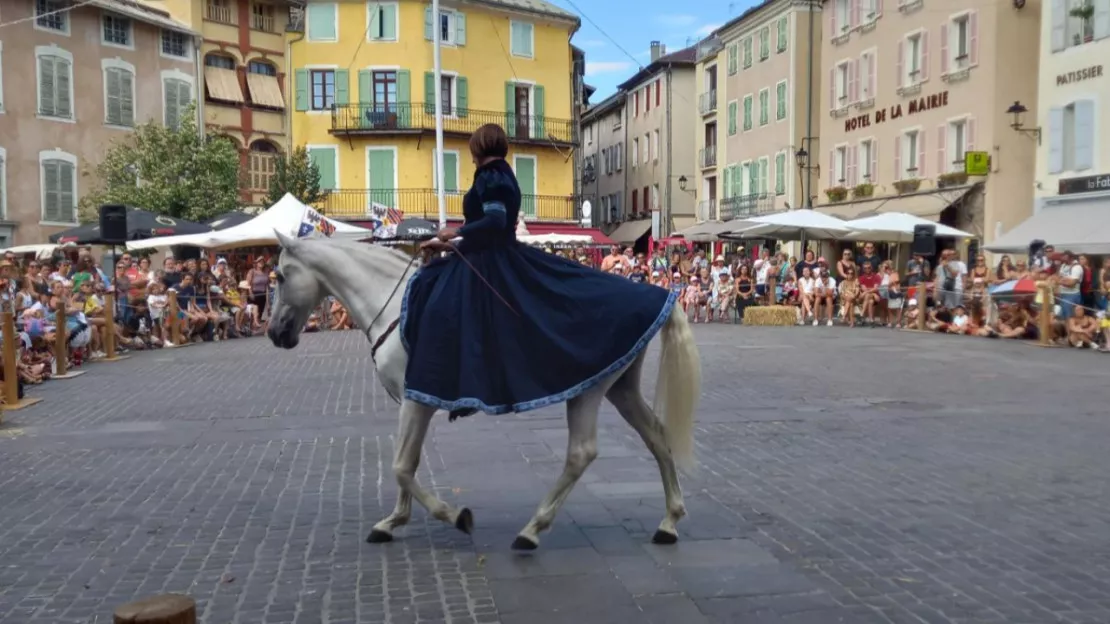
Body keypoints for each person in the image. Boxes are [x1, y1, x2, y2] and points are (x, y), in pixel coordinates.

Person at [407, 124, 677, 419]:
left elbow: (495, 221)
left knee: (448, 307)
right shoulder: (502, 173)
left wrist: (453, 232)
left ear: (478, 147)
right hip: (489, 253)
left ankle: (462, 384)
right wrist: (452, 244)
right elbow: (489, 229)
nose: (471, 156)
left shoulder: (490, 176)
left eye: (472, 150)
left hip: (493, 260)